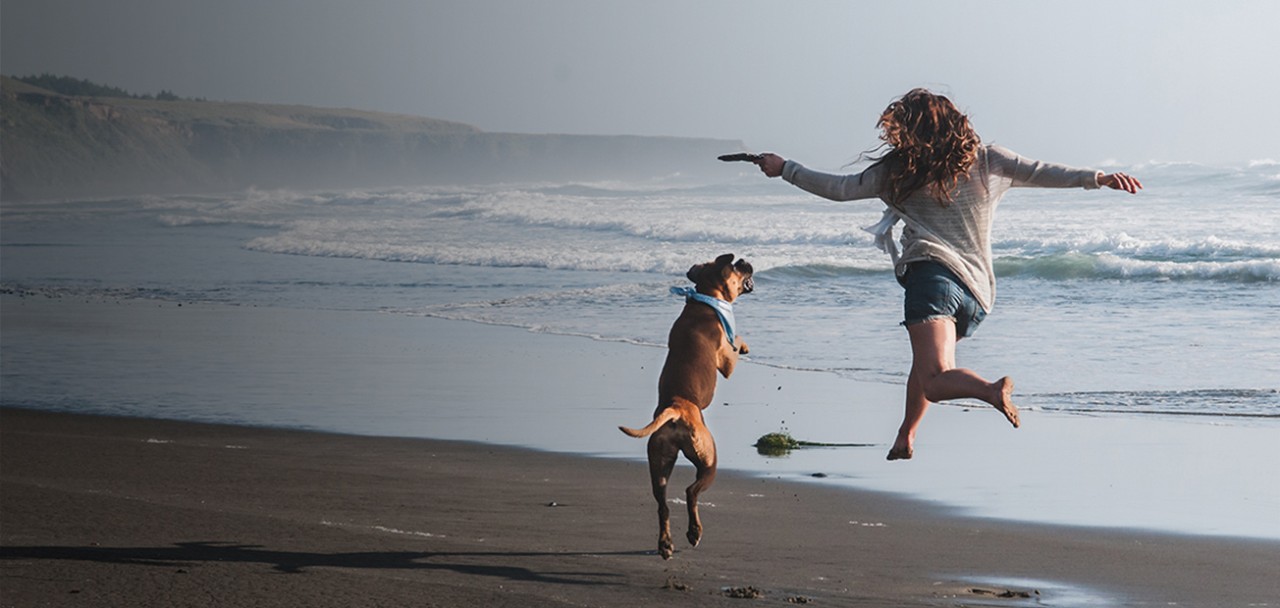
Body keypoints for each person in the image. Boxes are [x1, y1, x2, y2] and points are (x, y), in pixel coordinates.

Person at [754, 88, 1141, 460]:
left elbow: (839, 188)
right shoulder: (989, 160)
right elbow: (1042, 171)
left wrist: (786, 168)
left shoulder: (897, 171)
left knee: (936, 380)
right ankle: (907, 434)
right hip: (977, 293)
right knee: (924, 367)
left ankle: (990, 390)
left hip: (932, 280)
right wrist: (1098, 177)